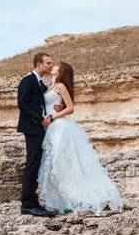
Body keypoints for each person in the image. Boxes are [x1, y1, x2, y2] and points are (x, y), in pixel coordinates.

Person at [38, 61, 123, 214]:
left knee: (63, 164)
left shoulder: (61, 86)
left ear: (61, 71)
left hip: (59, 127)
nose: (53, 66)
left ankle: (78, 199)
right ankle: (65, 200)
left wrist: (53, 117)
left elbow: (70, 108)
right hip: (51, 129)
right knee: (56, 165)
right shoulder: (50, 86)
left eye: (56, 65)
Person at [17, 52, 60, 217]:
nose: (51, 65)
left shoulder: (37, 82)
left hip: (39, 128)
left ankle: (33, 201)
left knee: (36, 164)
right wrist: (39, 120)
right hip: (32, 128)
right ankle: (27, 205)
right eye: (48, 63)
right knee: (32, 164)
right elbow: (23, 104)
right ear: (38, 64)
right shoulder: (27, 80)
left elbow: (46, 97)